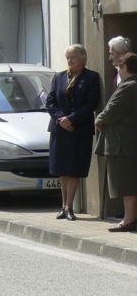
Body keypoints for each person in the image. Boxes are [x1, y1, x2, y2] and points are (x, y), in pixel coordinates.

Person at [45, 44, 101, 221]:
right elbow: (50, 101)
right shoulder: (59, 77)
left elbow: (91, 103)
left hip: (79, 130)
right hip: (60, 130)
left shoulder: (91, 77)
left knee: (73, 168)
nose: (69, 60)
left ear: (83, 59)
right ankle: (63, 206)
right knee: (62, 168)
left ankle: (70, 207)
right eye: (68, 57)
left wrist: (72, 119)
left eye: (73, 57)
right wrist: (61, 119)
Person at [95, 52, 137, 232]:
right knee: (127, 182)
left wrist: (98, 121)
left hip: (123, 143)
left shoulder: (129, 86)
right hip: (126, 141)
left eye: (119, 66)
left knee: (126, 182)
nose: (118, 70)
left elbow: (111, 110)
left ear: (126, 67)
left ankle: (128, 220)